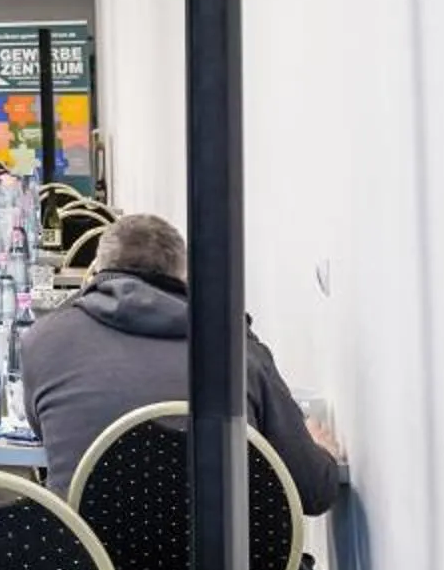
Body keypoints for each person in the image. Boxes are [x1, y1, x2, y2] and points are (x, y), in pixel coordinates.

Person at [20, 213, 342, 507]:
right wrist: (319, 453)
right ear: (182, 274)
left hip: (89, 562)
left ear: (97, 269)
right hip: (228, 569)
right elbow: (313, 492)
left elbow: (43, 434)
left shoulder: (43, 340)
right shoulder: (236, 351)